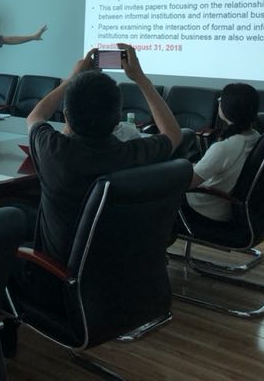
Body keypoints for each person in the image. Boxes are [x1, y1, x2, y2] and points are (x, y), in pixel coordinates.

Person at [26, 44, 182, 264]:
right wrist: (140, 78)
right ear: (118, 118)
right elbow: (173, 133)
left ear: (67, 116)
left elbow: (35, 116)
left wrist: (73, 77)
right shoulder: (134, 153)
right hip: (121, 269)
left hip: (59, 274)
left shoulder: (54, 151)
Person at [184, 83, 260, 222]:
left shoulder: (224, 147)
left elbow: (187, 183)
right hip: (228, 205)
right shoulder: (256, 136)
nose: (219, 101)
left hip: (207, 208)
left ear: (228, 108)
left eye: (221, 99)